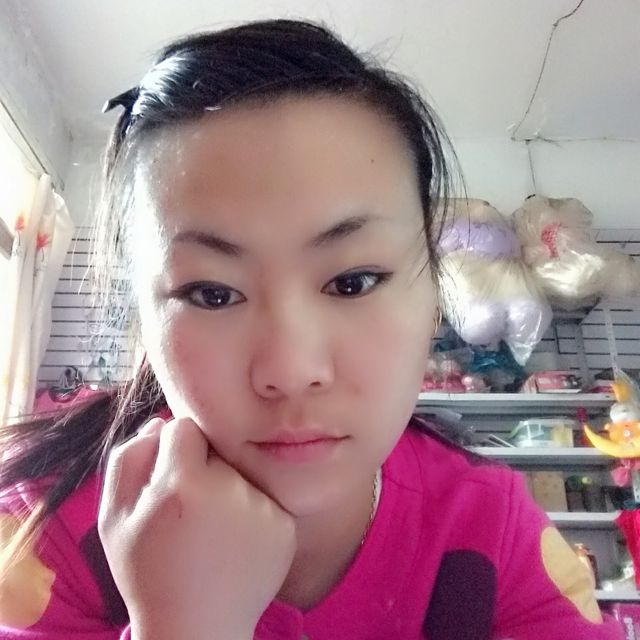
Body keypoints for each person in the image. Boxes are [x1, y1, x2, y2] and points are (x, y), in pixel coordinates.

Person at [0, 18, 623, 640]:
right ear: (146, 320)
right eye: (213, 294)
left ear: (435, 294)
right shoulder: (37, 540)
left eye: (353, 282)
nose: (291, 371)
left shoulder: (495, 540)